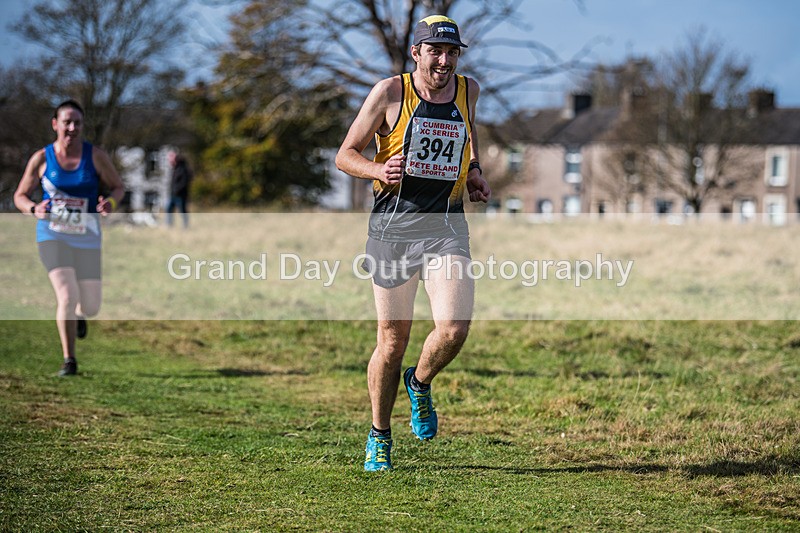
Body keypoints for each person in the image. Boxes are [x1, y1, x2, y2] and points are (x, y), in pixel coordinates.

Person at [335, 15, 491, 471]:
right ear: (417, 53)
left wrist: (475, 171)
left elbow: (469, 132)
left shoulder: (468, 90)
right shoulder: (390, 94)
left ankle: (419, 383)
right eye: (435, 52)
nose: (444, 61)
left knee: (453, 329)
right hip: (393, 231)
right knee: (391, 341)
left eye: (452, 52)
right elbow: (345, 155)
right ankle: (379, 434)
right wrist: (377, 170)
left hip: (445, 226)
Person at [13, 99, 125, 376]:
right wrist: (33, 208)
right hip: (52, 235)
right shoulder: (41, 158)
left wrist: (110, 202)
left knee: (90, 305)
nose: (72, 128)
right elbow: (19, 195)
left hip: (87, 236)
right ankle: (69, 360)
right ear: (55, 124)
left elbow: (118, 187)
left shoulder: (96, 156)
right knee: (66, 294)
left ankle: (80, 314)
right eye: (67, 122)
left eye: (77, 122)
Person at [165, 150, 192, 228]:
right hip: (173, 194)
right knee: (169, 209)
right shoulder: (175, 169)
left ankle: (185, 226)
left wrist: (177, 190)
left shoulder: (183, 169)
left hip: (180, 195)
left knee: (182, 211)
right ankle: (169, 225)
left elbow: (184, 183)